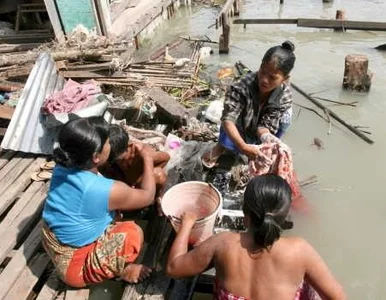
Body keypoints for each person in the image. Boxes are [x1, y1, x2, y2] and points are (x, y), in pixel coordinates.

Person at [166, 174, 345, 300]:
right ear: (284, 218)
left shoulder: (223, 243)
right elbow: (338, 297)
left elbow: (174, 268)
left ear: (245, 214)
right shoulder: (300, 250)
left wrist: (187, 225)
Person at [42, 117, 156, 288]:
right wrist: (148, 158)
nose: (110, 146)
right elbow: (147, 196)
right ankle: (121, 271)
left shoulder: (63, 163)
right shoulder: (106, 189)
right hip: (75, 268)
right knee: (133, 232)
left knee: (113, 213)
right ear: (96, 156)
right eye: (108, 143)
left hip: (52, 240)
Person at [202, 41, 296, 169]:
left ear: (285, 79)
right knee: (229, 121)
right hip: (241, 121)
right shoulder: (241, 87)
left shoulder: (285, 96)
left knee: (284, 121)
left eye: (272, 78)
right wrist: (243, 146)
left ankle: (265, 149)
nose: (264, 80)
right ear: (260, 65)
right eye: (262, 71)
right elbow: (228, 119)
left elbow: (265, 125)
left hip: (263, 124)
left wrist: (267, 137)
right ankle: (221, 146)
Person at [100, 124, 170, 201]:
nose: (119, 160)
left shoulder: (141, 153)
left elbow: (166, 157)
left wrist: (143, 178)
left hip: (141, 183)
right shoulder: (113, 158)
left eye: (118, 159)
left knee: (159, 175)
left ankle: (157, 200)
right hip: (126, 181)